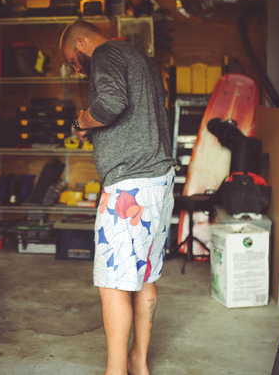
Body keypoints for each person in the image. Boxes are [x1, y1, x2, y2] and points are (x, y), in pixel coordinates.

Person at [59, 20, 175, 375]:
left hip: (131, 186)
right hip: (159, 179)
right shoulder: (137, 57)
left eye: (73, 60)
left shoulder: (105, 53)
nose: (77, 68)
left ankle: (115, 371)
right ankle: (138, 363)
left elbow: (111, 103)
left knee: (112, 283)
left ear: (81, 42)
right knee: (144, 277)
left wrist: (82, 120)